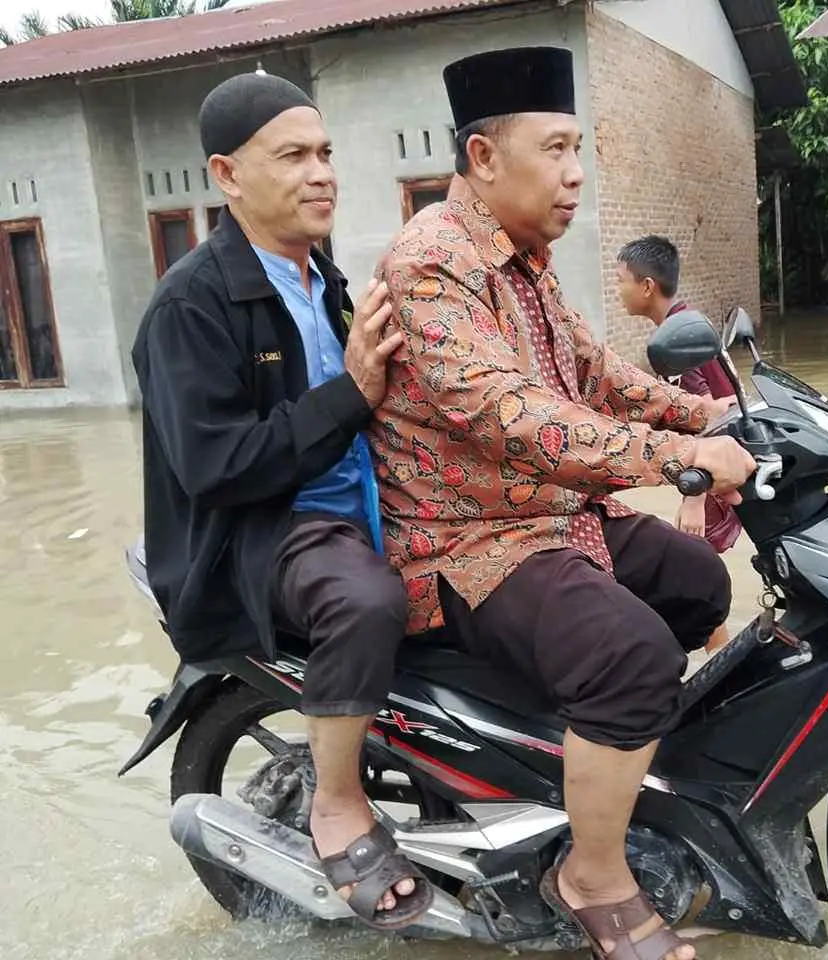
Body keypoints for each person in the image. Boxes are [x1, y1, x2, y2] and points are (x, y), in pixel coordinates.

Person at [369, 46, 756, 960]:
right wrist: (680, 453)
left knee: (700, 582)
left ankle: (619, 771)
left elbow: (595, 373)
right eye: (555, 149)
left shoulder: (527, 258)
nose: (576, 174)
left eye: (579, 149)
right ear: (483, 158)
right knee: (629, 659)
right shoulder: (433, 263)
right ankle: (591, 874)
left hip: (550, 516)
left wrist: (719, 409)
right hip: (465, 541)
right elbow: (509, 414)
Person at [131, 72, 434, 930]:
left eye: (327, 152)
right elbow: (218, 467)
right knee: (368, 599)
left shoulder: (323, 280)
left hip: (355, 504)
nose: (322, 173)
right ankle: (335, 802)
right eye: (293, 156)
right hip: (263, 532)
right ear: (228, 177)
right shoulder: (188, 306)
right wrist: (354, 390)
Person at [617, 235, 743, 655]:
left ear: (647, 286)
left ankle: (720, 668)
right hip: (725, 460)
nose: (619, 290)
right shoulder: (688, 324)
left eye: (622, 281)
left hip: (711, 468)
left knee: (690, 573)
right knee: (696, 571)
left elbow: (703, 415)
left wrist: (694, 493)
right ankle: (718, 659)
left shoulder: (671, 342)